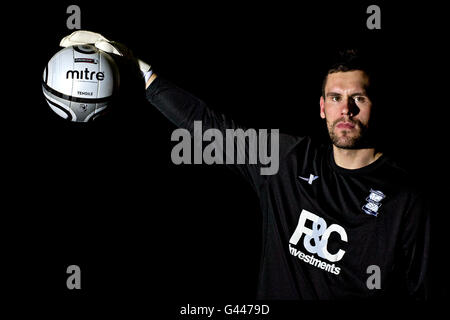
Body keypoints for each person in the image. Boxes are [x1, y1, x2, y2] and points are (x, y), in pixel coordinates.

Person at [59, 31, 431, 299]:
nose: (345, 110)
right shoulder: (287, 160)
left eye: (358, 98)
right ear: (322, 107)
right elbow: (209, 127)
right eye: (335, 98)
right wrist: (142, 72)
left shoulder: (407, 198)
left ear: (374, 105)